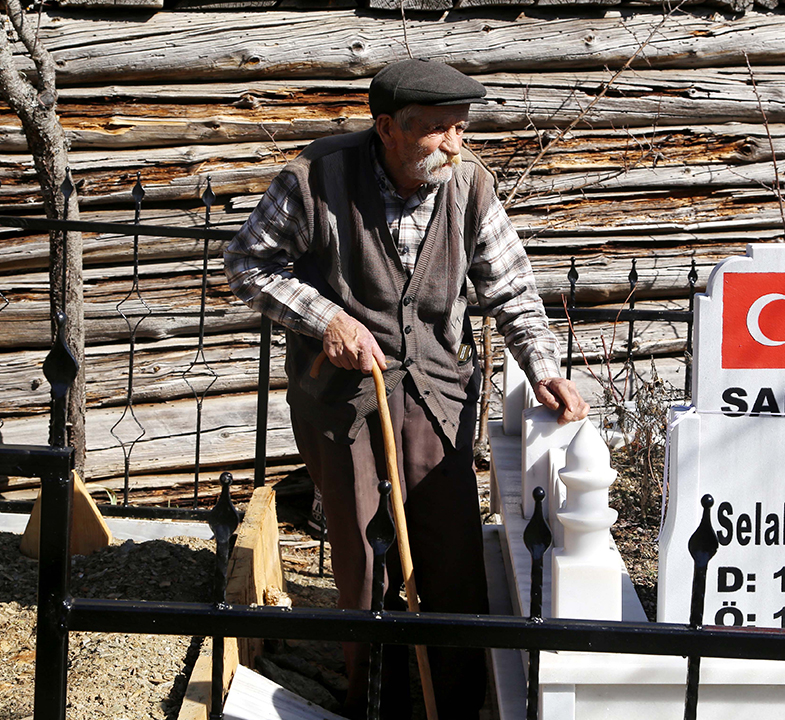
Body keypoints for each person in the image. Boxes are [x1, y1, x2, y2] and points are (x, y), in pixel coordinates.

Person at [224, 58, 588, 719]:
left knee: (448, 549)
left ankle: (452, 702)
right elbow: (248, 265)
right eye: (439, 131)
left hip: (438, 390)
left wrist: (544, 369)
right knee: (364, 555)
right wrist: (325, 317)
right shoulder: (316, 179)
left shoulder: (470, 185)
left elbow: (511, 287)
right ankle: (371, 698)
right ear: (388, 128)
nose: (455, 144)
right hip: (343, 395)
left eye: (461, 129)